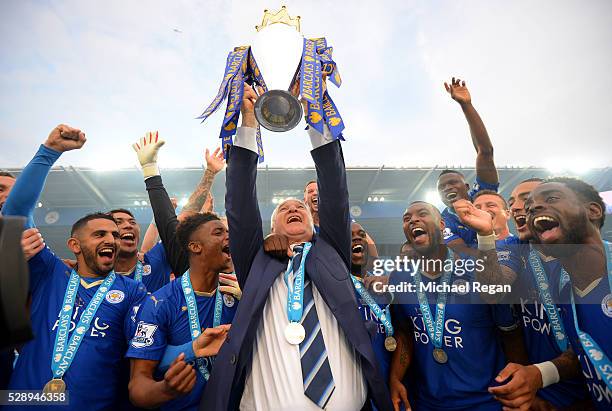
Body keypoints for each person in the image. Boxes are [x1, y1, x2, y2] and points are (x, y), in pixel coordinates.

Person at [200, 83, 392, 410]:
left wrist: (316, 117)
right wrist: (249, 124)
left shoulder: (332, 252)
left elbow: (335, 192)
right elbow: (240, 205)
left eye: (299, 208)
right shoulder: (256, 260)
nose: (293, 209)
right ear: (270, 227)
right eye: (283, 209)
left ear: (314, 222)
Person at [456, 181, 591, 410]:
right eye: (513, 202)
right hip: (543, 391)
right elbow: (493, 292)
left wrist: (540, 374)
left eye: (529, 199)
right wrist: (486, 237)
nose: (520, 207)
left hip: (593, 384)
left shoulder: (597, 259)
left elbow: (594, 340)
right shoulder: (514, 248)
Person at [389, 201, 521, 411]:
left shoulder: (478, 269)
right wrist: (395, 378)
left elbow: (510, 334)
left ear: (442, 224)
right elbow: (406, 333)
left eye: (422, 214)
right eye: (407, 219)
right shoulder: (400, 277)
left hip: (487, 401)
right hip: (428, 403)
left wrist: (520, 388)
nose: (413, 220)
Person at [126, 212, 236, 410]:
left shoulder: (238, 296)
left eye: (229, 231)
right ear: (195, 246)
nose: (229, 236)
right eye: (219, 232)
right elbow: (137, 387)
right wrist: (166, 390)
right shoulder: (159, 303)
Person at [526, 177, 611, 410]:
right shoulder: (563, 292)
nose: (533, 208)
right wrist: (539, 375)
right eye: (529, 208)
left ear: (593, 210)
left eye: (552, 198)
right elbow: (587, 354)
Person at [437, 78, 499, 249]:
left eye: (452, 183)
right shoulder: (444, 221)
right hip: (483, 270)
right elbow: (464, 255)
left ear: (466, 186)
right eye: (442, 187)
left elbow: (485, 152)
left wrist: (466, 105)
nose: (447, 188)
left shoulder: (482, 196)